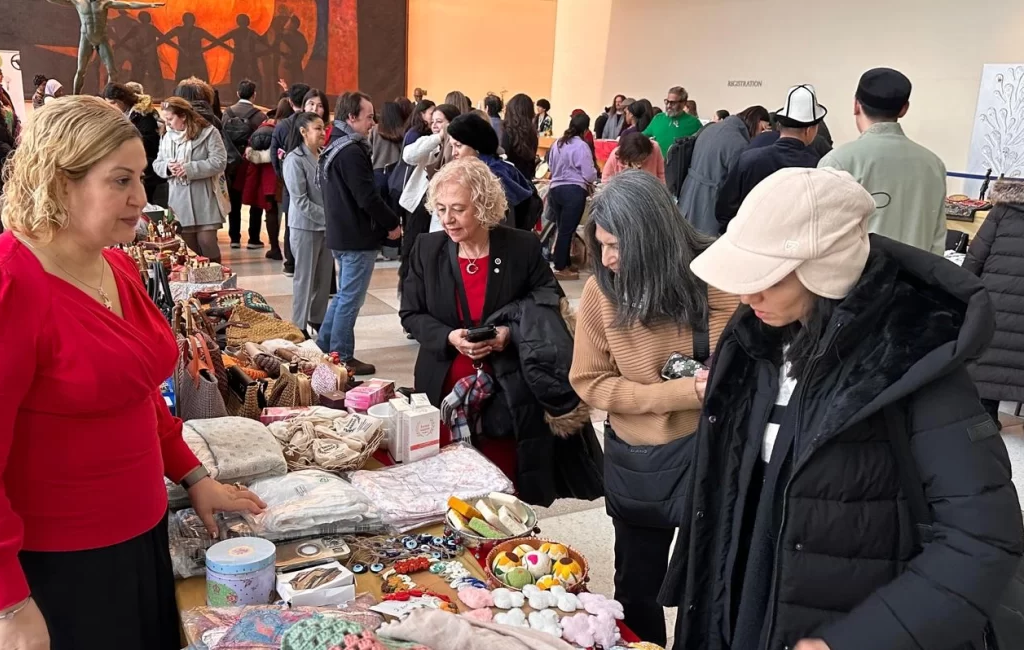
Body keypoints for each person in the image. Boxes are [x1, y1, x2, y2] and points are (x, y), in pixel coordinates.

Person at [0, 95, 265, 650]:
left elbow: (135, 393)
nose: (140, 198)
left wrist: (194, 479)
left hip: (128, 549)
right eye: (121, 181)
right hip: (42, 576)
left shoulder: (113, 263)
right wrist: (6, 605)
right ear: (61, 183)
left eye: (141, 178)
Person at [669, 166, 1023, 650]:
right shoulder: (755, 338)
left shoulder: (912, 364)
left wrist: (852, 641)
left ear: (826, 269)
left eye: (768, 277)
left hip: (839, 621)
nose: (748, 296)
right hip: (742, 608)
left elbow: (982, 539)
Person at [570, 170, 739, 645]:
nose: (607, 259)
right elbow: (589, 382)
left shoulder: (719, 280)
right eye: (600, 245)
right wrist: (679, 394)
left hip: (713, 459)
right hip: (640, 464)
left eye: (617, 245)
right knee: (636, 586)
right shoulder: (601, 293)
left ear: (654, 238)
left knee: (706, 586)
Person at [400, 157, 604, 506]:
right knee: (452, 488)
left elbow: (548, 300)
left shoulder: (521, 247)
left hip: (508, 390)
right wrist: (449, 337)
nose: (447, 219)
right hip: (446, 385)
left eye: (459, 209)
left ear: (483, 206)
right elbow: (411, 314)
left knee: (506, 486)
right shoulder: (426, 248)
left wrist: (508, 333)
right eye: (442, 208)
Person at [317, 91, 402, 376]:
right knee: (350, 298)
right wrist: (392, 223)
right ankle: (342, 355)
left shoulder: (335, 144)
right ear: (351, 117)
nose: (373, 122)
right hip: (355, 235)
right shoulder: (352, 150)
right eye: (368, 117)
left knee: (343, 296)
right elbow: (367, 197)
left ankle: (325, 346)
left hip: (342, 232)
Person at [819, 68, 947, 254]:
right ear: (904, 109)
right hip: (917, 280)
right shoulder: (934, 165)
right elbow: (937, 241)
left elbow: (821, 240)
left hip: (860, 280)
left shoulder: (838, 162)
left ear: (856, 105)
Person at [715, 85, 825, 234]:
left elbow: (724, 211)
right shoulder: (815, 166)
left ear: (779, 125)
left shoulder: (749, 159)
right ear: (809, 129)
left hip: (748, 242)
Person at [963, 177, 1024, 429]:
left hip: (998, 297)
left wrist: (963, 287)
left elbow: (977, 254)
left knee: (992, 356)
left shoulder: (1002, 211)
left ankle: (988, 415)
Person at [154, 97, 229, 263]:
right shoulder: (167, 137)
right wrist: (167, 167)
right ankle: (196, 284)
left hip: (205, 195)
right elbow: (157, 163)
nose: (167, 123)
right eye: (165, 119)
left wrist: (189, 168)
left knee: (207, 242)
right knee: (188, 247)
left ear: (183, 116)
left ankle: (216, 278)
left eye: (170, 119)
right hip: (178, 199)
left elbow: (219, 161)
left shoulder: (209, 132)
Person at [678, 105, 771, 235]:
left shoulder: (711, 128)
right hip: (710, 205)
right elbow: (737, 188)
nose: (761, 134)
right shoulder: (739, 143)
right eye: (762, 129)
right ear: (757, 121)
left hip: (687, 195)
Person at [284, 111, 333, 335]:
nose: (323, 133)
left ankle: (317, 318)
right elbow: (301, 201)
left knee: (324, 279)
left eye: (324, 128)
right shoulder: (294, 159)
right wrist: (329, 217)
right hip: (304, 227)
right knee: (305, 279)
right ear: (303, 132)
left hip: (326, 227)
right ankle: (299, 325)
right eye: (318, 128)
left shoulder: (323, 155)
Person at [447, 113, 537, 230]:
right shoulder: (498, 167)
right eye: (451, 147)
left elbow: (502, 227)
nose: (454, 152)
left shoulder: (490, 177)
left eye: (458, 146)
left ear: (476, 145)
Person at [400, 103, 460, 266]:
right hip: (419, 206)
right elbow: (408, 156)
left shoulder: (458, 147)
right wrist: (439, 137)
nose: (434, 125)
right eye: (432, 121)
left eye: (439, 121)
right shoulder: (429, 141)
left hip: (440, 210)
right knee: (412, 254)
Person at [546, 111, 598, 281]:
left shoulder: (557, 144)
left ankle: (565, 262)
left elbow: (551, 166)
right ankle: (561, 266)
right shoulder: (581, 145)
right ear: (585, 130)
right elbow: (589, 174)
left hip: (555, 189)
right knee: (567, 230)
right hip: (573, 191)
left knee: (563, 228)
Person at [246, 99, 294, 269]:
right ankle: (290, 251)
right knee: (291, 214)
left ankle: (275, 248)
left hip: (270, 175)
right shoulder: (297, 125)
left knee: (271, 211)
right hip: (289, 175)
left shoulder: (268, 125)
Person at [222, 79, 267, 250]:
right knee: (255, 200)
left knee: (234, 201)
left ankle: (234, 238)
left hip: (232, 163)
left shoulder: (227, 113)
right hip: (251, 163)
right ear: (254, 94)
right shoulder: (260, 116)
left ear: (237, 93)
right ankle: (254, 239)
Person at [103, 82, 163, 206]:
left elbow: (150, 143)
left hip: (147, 169)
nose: (110, 107)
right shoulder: (121, 116)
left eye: (112, 103)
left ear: (121, 101)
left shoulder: (143, 115)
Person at [642, 86, 702, 157]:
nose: (668, 105)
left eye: (673, 103)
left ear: (683, 103)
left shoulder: (694, 123)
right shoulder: (658, 119)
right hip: (658, 164)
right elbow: (643, 137)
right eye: (667, 101)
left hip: (680, 165)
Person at [501, 94, 539, 180]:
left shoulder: (507, 132)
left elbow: (503, 158)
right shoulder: (532, 134)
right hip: (525, 182)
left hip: (509, 181)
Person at [601, 132, 666, 183]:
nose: (640, 164)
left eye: (643, 159)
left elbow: (661, 174)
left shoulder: (654, 148)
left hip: (650, 192)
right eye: (637, 162)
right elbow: (605, 180)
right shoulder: (616, 155)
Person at [370, 101, 406, 171]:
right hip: (397, 170)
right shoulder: (402, 131)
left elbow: (368, 150)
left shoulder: (375, 129)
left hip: (378, 169)